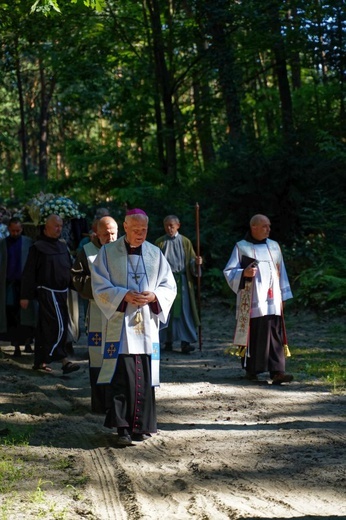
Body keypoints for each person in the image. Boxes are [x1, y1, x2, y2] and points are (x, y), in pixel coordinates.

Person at [91, 208, 176, 446]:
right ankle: (123, 428)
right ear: (125, 227)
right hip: (121, 325)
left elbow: (169, 285)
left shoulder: (155, 253)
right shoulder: (108, 253)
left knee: (144, 374)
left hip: (146, 324)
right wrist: (123, 295)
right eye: (136, 229)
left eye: (144, 230)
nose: (140, 234)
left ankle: (142, 426)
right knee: (122, 376)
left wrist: (154, 296)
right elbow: (99, 285)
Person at [223, 214, 293, 385]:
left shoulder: (274, 246)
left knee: (274, 333)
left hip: (273, 299)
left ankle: (277, 372)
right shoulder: (241, 247)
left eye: (269, 226)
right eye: (265, 226)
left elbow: (281, 271)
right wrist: (243, 273)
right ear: (253, 227)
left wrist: (283, 295)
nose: (268, 229)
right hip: (253, 301)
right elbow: (229, 271)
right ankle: (252, 370)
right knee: (255, 334)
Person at [20, 214, 80, 374]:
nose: (59, 229)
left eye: (60, 226)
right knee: (58, 326)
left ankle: (40, 361)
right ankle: (64, 360)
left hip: (62, 292)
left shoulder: (62, 246)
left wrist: (77, 286)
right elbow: (29, 272)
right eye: (55, 226)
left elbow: (69, 269)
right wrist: (25, 295)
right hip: (47, 292)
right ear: (46, 227)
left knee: (44, 328)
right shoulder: (38, 247)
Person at [71, 216, 118, 413]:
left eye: (114, 233)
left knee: (117, 357)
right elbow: (76, 277)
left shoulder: (124, 249)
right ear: (97, 233)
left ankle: (116, 403)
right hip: (97, 311)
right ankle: (100, 404)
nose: (110, 237)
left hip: (118, 314)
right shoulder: (87, 252)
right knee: (98, 358)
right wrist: (99, 290)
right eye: (106, 233)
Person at [155, 215, 202, 354]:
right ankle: (166, 341)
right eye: (167, 225)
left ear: (178, 226)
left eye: (172, 225)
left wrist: (196, 263)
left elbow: (192, 261)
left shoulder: (185, 242)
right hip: (164, 282)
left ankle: (185, 342)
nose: (169, 228)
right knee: (165, 311)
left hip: (182, 282)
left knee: (184, 312)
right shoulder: (160, 243)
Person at [0, 218, 36, 356]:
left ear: (22, 229)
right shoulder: (3, 244)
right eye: (13, 230)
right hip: (9, 285)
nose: (15, 233)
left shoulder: (28, 242)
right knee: (12, 314)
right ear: (9, 229)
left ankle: (27, 342)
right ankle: (15, 345)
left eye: (18, 230)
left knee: (28, 314)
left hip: (25, 284)